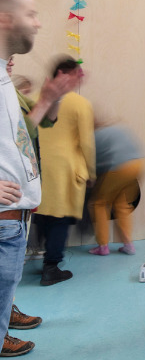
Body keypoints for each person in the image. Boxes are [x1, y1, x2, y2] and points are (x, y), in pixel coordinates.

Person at [0, 0, 75, 360]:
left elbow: (18, 140)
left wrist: (47, 98)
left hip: (13, 223)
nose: (39, 22)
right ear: (5, 19)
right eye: (31, 13)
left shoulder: (5, 79)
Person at [36, 59, 94, 286]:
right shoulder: (80, 103)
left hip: (39, 166)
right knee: (60, 218)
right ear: (64, 74)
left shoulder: (39, 99)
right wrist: (91, 172)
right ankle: (51, 267)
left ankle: (44, 257)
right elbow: (87, 143)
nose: (80, 78)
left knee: (43, 213)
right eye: (77, 74)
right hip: (66, 168)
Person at [89, 116, 145, 256]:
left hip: (119, 167)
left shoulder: (94, 136)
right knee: (122, 205)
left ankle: (103, 246)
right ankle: (128, 245)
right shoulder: (117, 128)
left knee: (99, 203)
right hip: (139, 164)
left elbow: (93, 163)